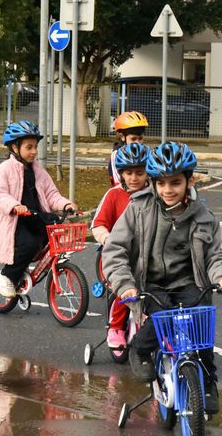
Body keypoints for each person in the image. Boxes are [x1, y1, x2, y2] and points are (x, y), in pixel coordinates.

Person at [101, 142, 222, 415]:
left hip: (188, 282)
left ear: (190, 180)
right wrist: (125, 284)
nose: (168, 190)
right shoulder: (138, 209)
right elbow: (115, 250)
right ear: (153, 183)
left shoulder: (203, 216)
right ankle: (139, 349)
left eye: (175, 182)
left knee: (200, 326)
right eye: (161, 183)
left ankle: (208, 383)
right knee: (162, 313)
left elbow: (215, 254)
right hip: (150, 283)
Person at [0, 121, 77, 298]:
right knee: (28, 244)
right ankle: (6, 275)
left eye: (36, 147)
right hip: (15, 221)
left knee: (55, 228)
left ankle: (31, 268)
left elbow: (52, 194)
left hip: (35, 215)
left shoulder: (38, 170)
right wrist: (14, 206)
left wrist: (65, 205)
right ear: (15, 147)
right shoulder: (4, 169)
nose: (34, 152)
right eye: (29, 147)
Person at [90, 142, 151, 353]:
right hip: (119, 256)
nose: (134, 178)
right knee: (123, 288)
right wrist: (108, 239)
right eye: (128, 173)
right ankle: (115, 327)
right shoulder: (114, 195)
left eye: (140, 172)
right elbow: (98, 224)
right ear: (121, 174)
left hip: (147, 255)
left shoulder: (155, 194)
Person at [108, 111, 148, 186]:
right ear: (122, 137)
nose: (138, 143)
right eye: (133, 139)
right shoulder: (116, 154)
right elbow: (118, 182)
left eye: (140, 138)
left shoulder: (145, 152)